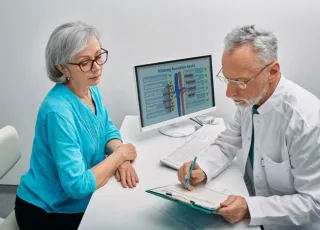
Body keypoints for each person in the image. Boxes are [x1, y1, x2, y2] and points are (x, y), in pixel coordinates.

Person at [178, 25, 320, 230]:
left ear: (272, 71)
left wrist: (250, 208)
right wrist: (203, 168)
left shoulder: (307, 122)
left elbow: (314, 203)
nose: (229, 92)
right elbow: (228, 142)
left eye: (240, 82)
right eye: (227, 79)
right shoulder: (251, 100)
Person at [14, 21, 139, 230]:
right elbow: (77, 186)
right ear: (62, 67)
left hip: (80, 198)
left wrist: (121, 156)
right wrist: (119, 156)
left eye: (99, 57)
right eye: (85, 62)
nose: (96, 67)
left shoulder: (90, 89)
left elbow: (107, 130)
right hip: (48, 210)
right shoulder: (57, 111)